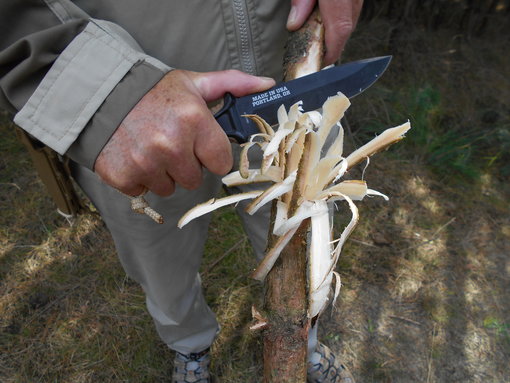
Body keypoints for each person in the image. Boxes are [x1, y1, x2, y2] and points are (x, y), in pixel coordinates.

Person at [0, 1, 362, 381]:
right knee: (160, 262)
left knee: (308, 244)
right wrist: (108, 93)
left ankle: (304, 341)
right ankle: (190, 345)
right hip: (136, 114)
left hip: (287, 69)